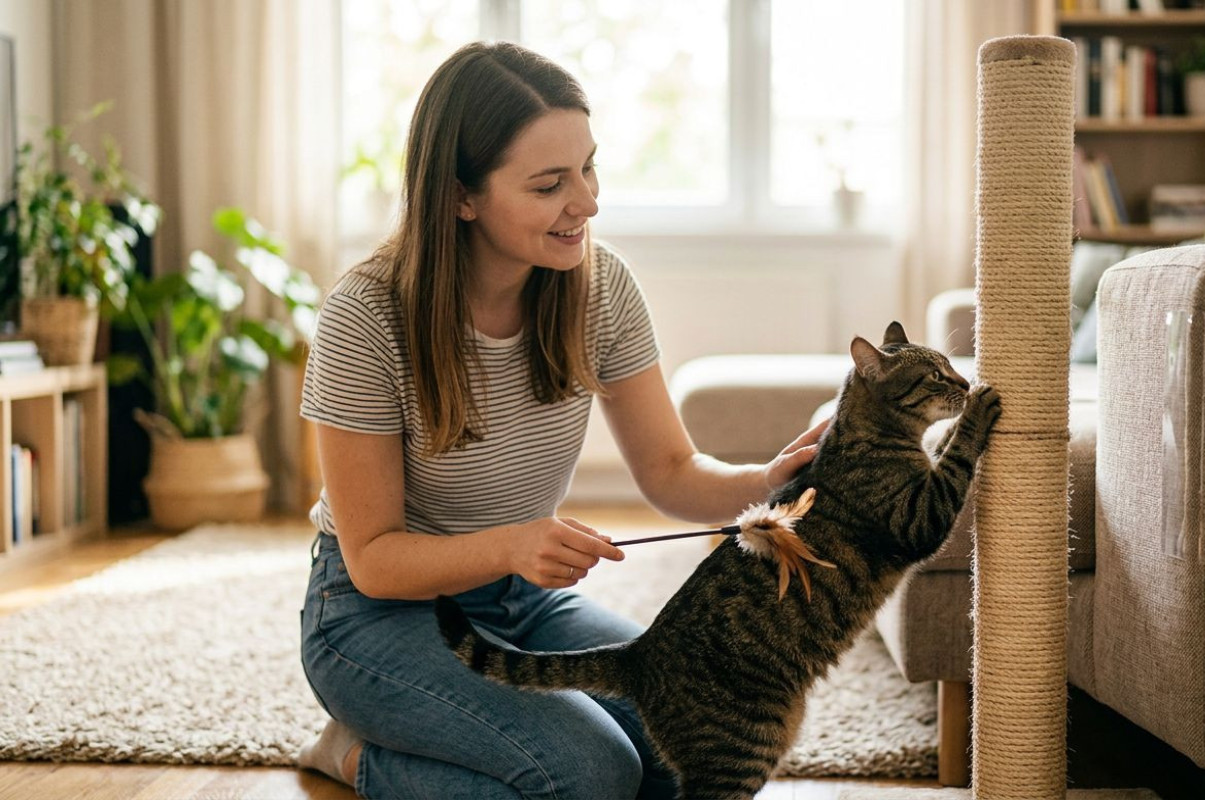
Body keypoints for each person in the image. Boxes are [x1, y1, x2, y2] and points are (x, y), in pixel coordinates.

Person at [295, 40, 827, 800]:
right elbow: (375, 558)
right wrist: (516, 542)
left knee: (698, 745)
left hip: (518, 602)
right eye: (550, 184)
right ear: (459, 196)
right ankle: (353, 756)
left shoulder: (599, 285)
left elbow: (672, 473)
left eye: (589, 167)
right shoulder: (366, 315)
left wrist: (765, 481)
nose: (588, 202)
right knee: (591, 773)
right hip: (374, 618)